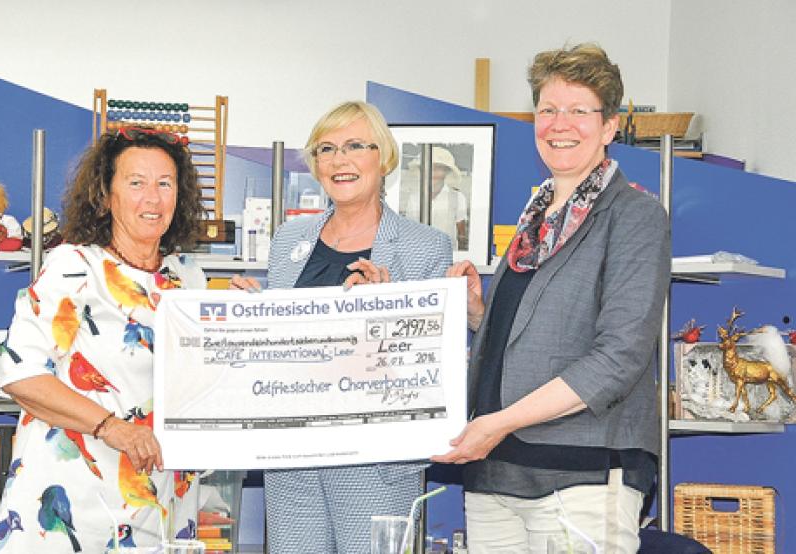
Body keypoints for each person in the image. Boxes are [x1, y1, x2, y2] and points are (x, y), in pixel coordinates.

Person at [432, 44, 670, 553]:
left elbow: (618, 358)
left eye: (579, 111)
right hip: (495, 471)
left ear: (609, 127)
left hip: (581, 471)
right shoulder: (536, 215)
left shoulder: (635, 217)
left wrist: (499, 422)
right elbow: (537, 335)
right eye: (547, 110)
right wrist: (480, 313)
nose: (560, 123)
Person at [230, 101, 453, 553]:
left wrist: (387, 311)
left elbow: (431, 366)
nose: (339, 160)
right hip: (292, 459)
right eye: (326, 149)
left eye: (355, 145)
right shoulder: (289, 239)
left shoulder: (425, 247)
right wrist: (248, 319)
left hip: (375, 464)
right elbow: (282, 344)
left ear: (383, 156)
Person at [0, 127, 206, 552]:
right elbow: (21, 376)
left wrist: (245, 320)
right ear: (106, 196)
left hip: (160, 505)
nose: (153, 197)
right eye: (136, 183)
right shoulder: (73, 266)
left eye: (165, 183)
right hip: (71, 502)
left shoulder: (189, 279)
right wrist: (114, 429)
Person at [396, 145, 470, 249]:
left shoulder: (458, 197)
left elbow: (462, 234)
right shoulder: (414, 198)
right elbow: (409, 232)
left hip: (449, 256)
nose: (433, 173)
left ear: (447, 171)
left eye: (438, 168)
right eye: (429, 168)